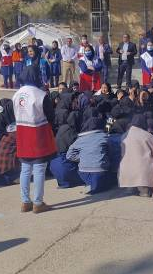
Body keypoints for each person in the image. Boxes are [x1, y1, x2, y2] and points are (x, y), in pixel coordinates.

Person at [13, 65, 57, 214]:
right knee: (39, 168)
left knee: (25, 168)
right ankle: (38, 202)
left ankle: (25, 201)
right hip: (38, 131)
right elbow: (50, 115)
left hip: (22, 131)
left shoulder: (17, 94)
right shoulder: (40, 94)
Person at [66, 118, 115, 194]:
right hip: (101, 171)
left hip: (83, 173)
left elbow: (69, 155)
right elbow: (112, 153)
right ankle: (98, 185)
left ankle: (92, 185)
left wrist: (83, 158)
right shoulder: (105, 137)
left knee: (96, 183)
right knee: (113, 179)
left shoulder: (79, 139)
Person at [118, 116, 153, 197]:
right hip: (143, 176)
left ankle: (131, 188)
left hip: (126, 173)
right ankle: (145, 190)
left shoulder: (124, 135)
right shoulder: (147, 136)